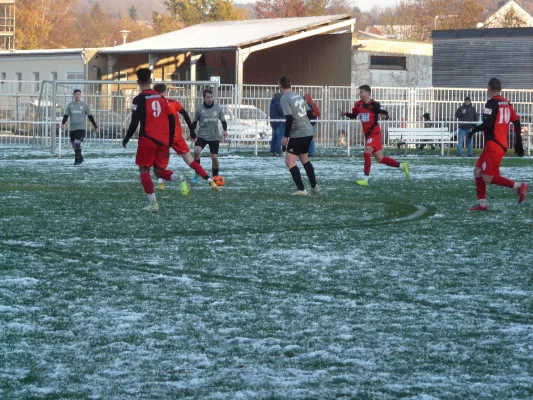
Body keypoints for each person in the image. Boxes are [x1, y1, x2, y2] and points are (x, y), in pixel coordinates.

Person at [122, 68, 179, 211]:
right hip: (163, 140)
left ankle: (153, 203)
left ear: (137, 81)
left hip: (147, 139)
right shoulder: (161, 98)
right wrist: (171, 139)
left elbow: (134, 122)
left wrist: (127, 138)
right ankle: (178, 178)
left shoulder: (138, 99)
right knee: (159, 172)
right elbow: (172, 119)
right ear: (151, 81)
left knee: (144, 170)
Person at [466, 78, 528, 211]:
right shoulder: (506, 103)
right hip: (499, 144)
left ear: (488, 88)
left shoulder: (491, 103)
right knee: (477, 171)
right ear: (500, 89)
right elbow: (516, 122)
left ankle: (519, 186)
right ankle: (482, 204)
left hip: (494, 144)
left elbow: (488, 124)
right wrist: (519, 143)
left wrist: (473, 130)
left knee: (487, 177)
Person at [152, 83, 219, 194]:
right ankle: (210, 180)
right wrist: (192, 132)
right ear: (165, 92)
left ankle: (161, 183)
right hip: (177, 137)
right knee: (190, 161)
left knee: (158, 165)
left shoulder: (152, 104)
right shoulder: (173, 103)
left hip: (162, 139)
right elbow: (186, 115)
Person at [341, 84, 409, 186]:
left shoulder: (375, 104)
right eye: (359, 92)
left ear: (368, 93)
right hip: (368, 134)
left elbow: (385, 113)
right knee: (380, 158)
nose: (360, 94)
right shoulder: (358, 104)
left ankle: (365, 179)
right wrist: (346, 114)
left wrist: (384, 115)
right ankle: (402, 166)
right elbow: (354, 116)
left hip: (375, 133)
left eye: (362, 92)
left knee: (366, 152)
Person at [279, 76, 319, 195]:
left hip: (298, 133)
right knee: (304, 159)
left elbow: (289, 118)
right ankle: (314, 186)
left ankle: (301, 189)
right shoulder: (298, 95)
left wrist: (285, 136)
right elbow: (309, 113)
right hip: (308, 131)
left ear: (280, 85)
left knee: (289, 161)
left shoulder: (284, 98)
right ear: (290, 85)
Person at [191, 88, 228, 183]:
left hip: (214, 136)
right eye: (208, 97)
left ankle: (215, 176)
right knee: (196, 151)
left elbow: (223, 121)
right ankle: (197, 173)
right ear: (204, 98)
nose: (210, 99)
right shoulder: (199, 109)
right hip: (202, 135)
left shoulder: (218, 108)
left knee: (214, 157)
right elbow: (194, 122)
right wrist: (192, 134)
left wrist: (224, 130)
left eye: (211, 97)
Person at [61, 89, 98, 165]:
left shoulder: (84, 105)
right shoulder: (70, 105)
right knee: (74, 145)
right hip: (72, 128)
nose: (77, 96)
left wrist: (95, 126)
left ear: (80, 95)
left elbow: (90, 116)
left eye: (79, 94)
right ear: (73, 95)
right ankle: (80, 158)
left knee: (77, 143)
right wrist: (63, 123)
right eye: (76, 94)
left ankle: (77, 160)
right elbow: (66, 115)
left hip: (81, 128)